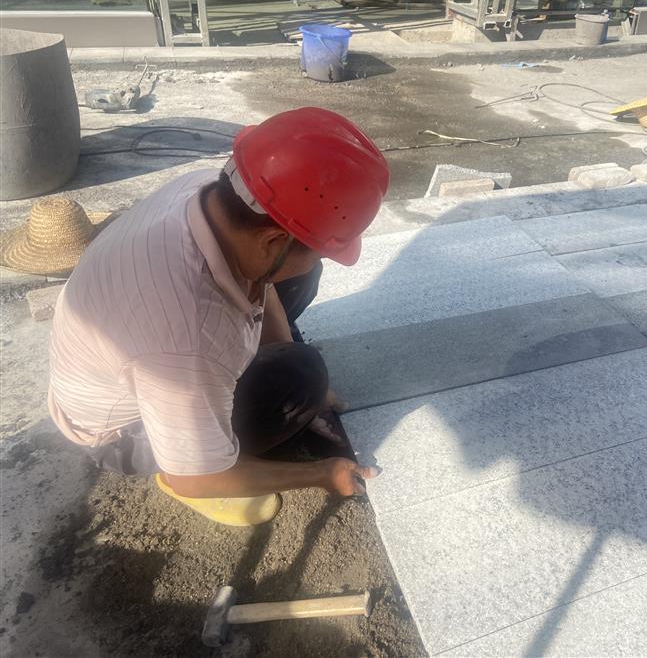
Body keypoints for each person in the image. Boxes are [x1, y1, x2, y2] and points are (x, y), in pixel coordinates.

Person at [47, 107, 390, 526]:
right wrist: (322, 474)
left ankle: (263, 381)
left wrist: (284, 354)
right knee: (300, 381)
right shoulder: (187, 336)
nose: (321, 258)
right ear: (271, 241)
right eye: (320, 250)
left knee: (300, 286)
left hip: (134, 354)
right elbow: (195, 475)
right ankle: (183, 464)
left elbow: (266, 276)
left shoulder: (210, 191)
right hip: (122, 432)